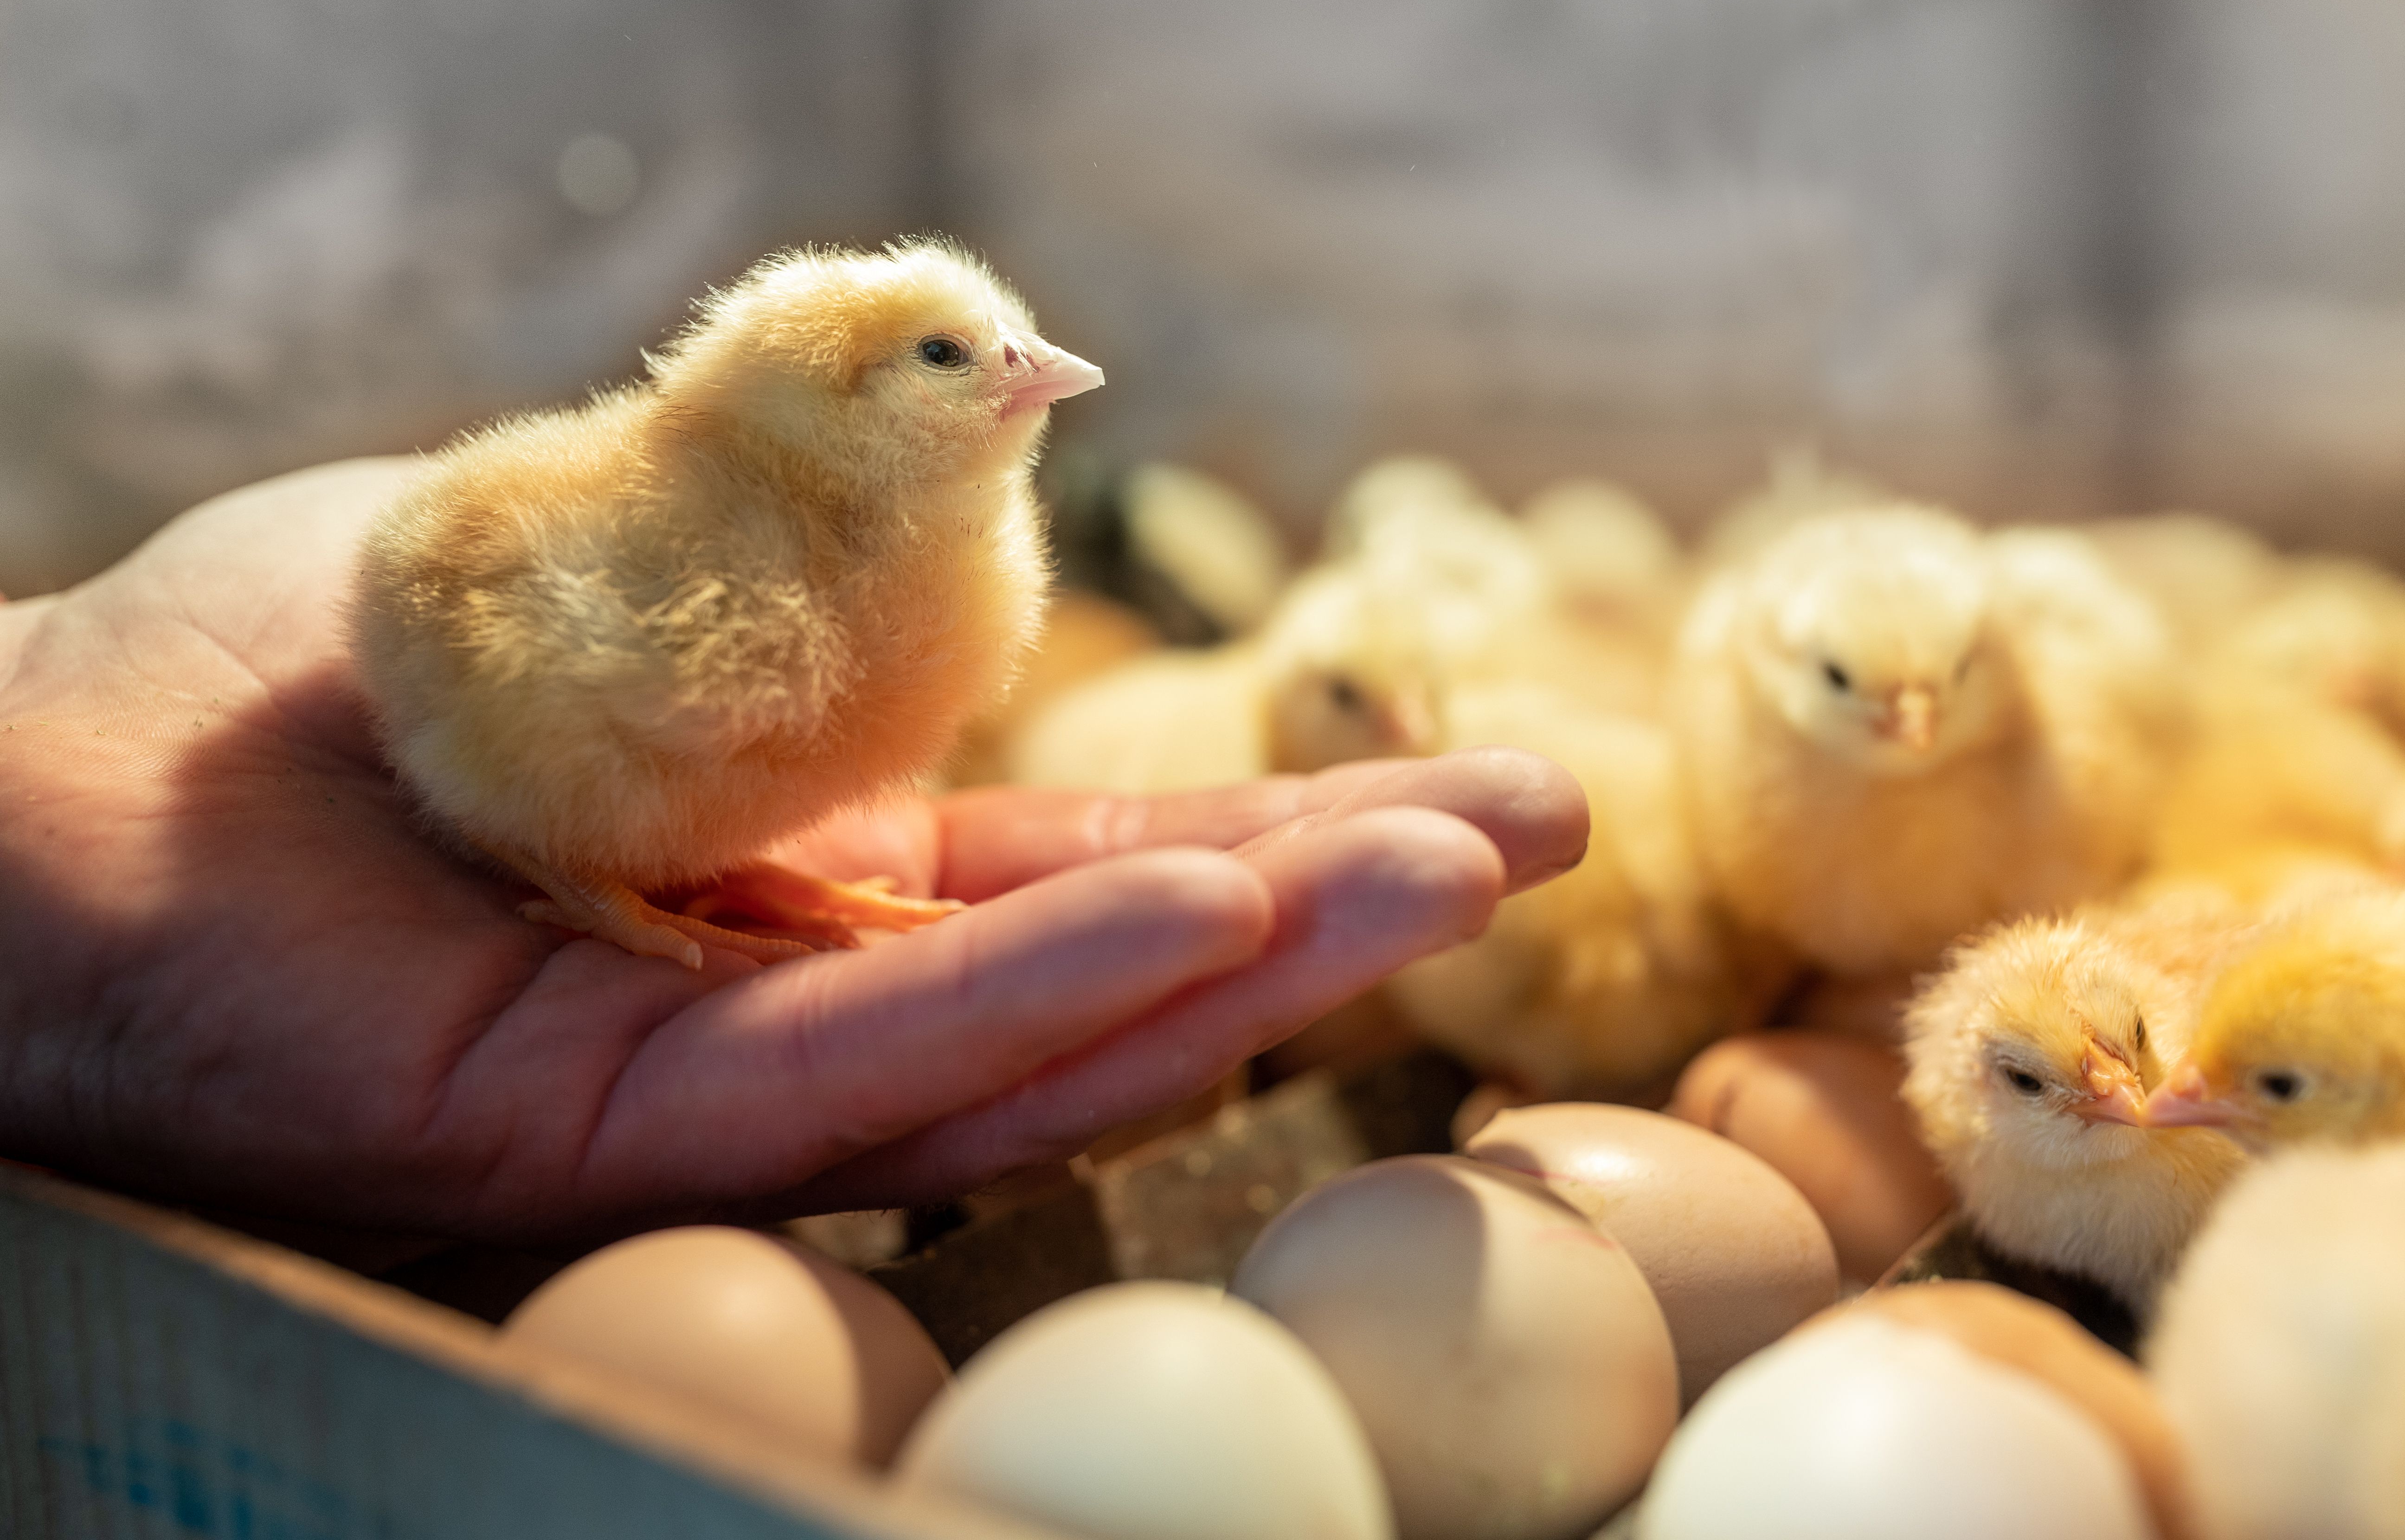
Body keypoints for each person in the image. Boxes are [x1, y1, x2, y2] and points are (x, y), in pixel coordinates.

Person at [0, 459, 1583, 1242]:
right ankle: (605, 879)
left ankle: (639, 877)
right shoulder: (752, 586)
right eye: (961, 361)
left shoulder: (852, 564)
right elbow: (526, 628)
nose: (1028, 375)